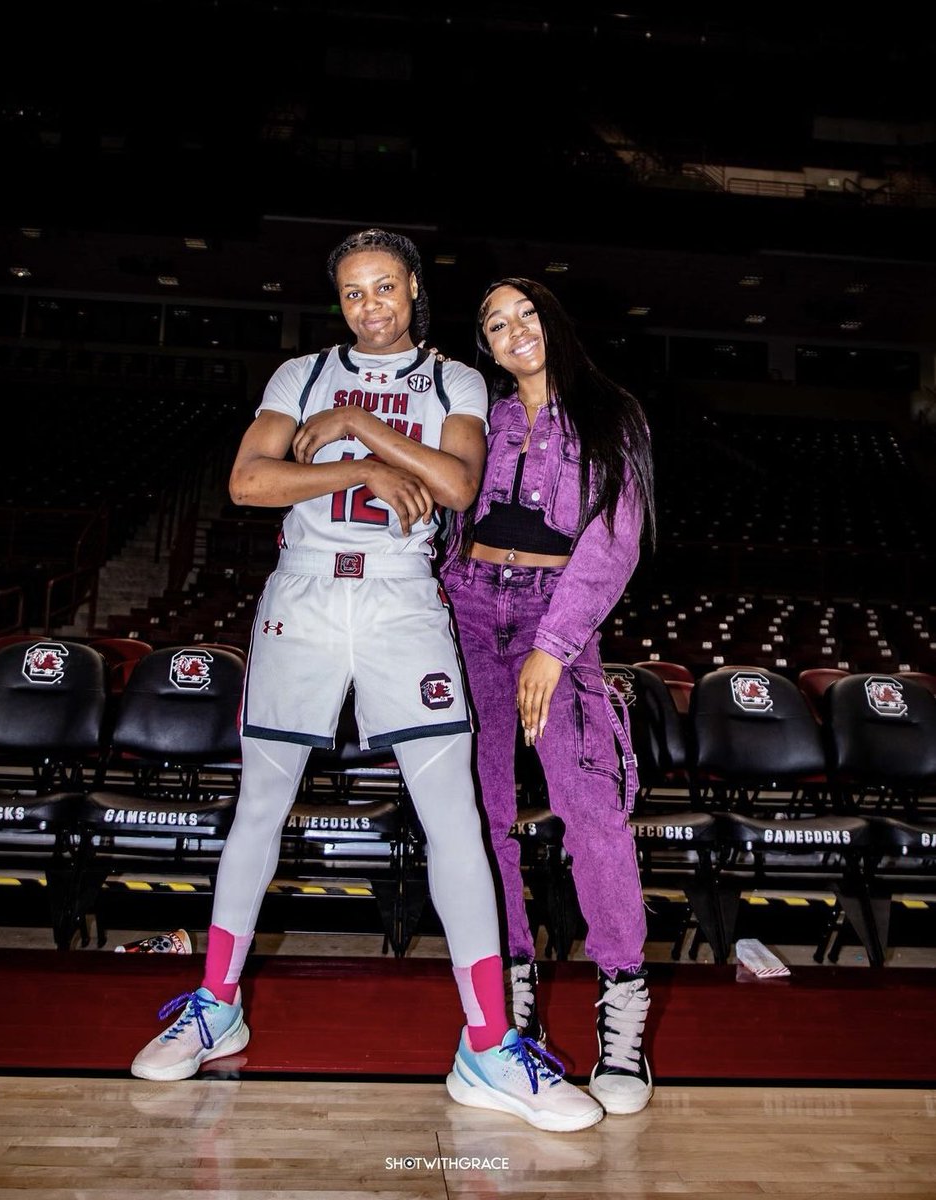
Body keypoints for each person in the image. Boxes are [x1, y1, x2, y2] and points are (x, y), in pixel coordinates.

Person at [129, 230, 604, 1133]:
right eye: (353, 293)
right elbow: (246, 480)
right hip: (302, 599)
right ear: (338, 301)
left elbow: (458, 486)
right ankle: (216, 1003)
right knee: (259, 808)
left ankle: (490, 1045)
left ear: (414, 289)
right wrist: (363, 470)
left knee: (455, 820)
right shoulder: (297, 374)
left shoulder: (455, 382)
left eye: (385, 287)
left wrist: (358, 426)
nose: (370, 306)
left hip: (400, 603)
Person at [439, 276, 657, 1116]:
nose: (513, 330)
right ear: (488, 346)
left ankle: (622, 1015)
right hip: (467, 605)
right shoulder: (483, 419)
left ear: (554, 322)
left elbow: (614, 542)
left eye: (526, 313)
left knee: (589, 811)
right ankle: (509, 1008)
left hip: (552, 611)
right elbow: (447, 509)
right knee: (482, 814)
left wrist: (555, 649)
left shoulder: (612, 414)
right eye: (496, 323)